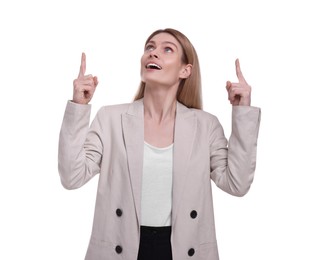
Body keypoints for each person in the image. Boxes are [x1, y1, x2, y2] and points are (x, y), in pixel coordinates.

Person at [58, 28, 261, 260]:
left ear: (185, 70)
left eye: (167, 49)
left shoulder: (205, 126)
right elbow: (72, 177)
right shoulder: (110, 119)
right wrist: (78, 106)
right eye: (150, 47)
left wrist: (242, 111)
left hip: (183, 250)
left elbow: (237, 184)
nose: (153, 53)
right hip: (118, 247)